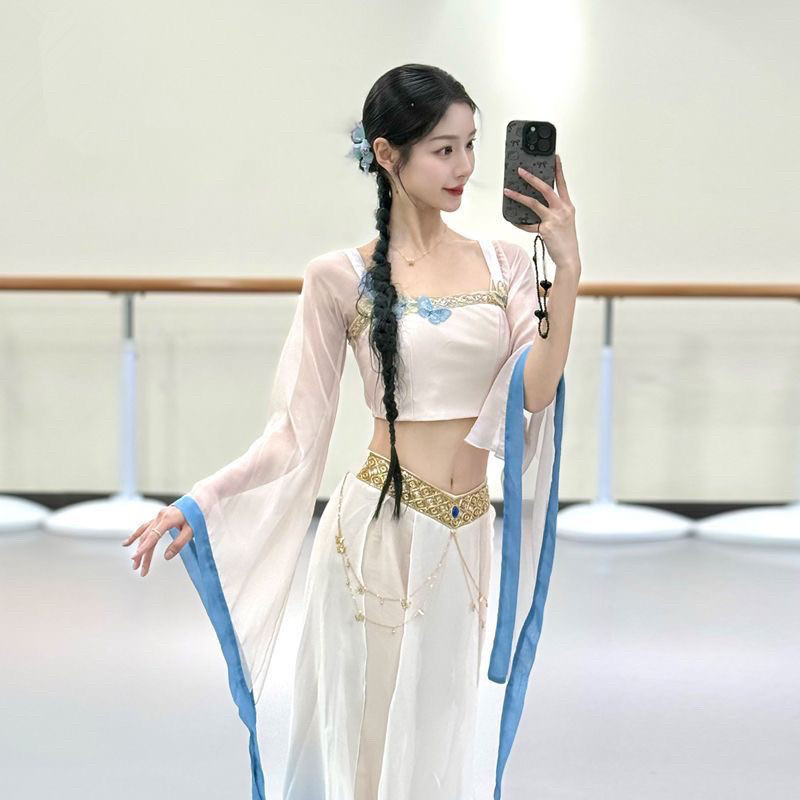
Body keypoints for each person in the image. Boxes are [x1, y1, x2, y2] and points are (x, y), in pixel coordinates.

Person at [122, 63, 581, 800]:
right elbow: (292, 432)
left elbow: (537, 391)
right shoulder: (338, 276)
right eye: (443, 149)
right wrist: (203, 499)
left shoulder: (504, 266)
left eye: (470, 145)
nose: (464, 167)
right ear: (388, 154)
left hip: (467, 535)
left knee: (436, 735)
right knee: (368, 745)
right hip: (378, 532)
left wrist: (569, 269)